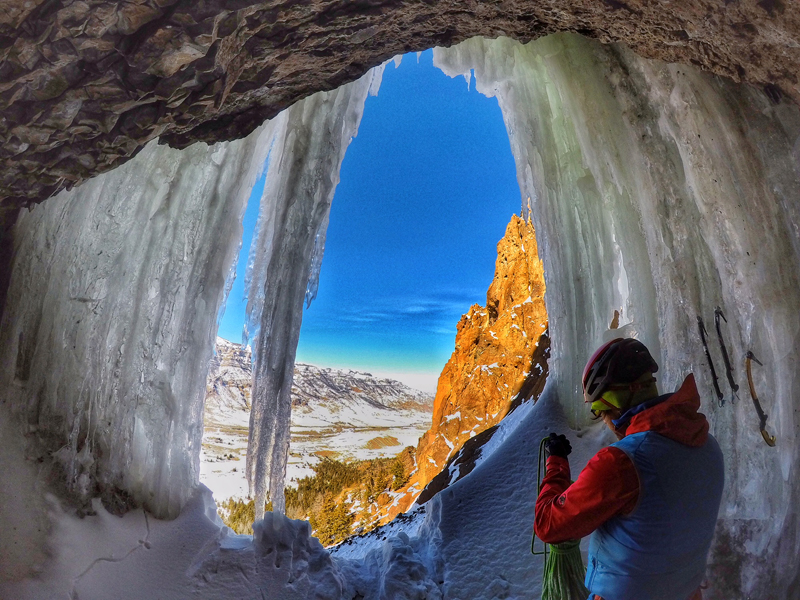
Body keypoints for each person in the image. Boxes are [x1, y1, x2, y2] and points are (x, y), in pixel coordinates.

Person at [534, 338, 725, 600]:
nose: (604, 420)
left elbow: (548, 524)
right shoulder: (707, 444)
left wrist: (556, 461)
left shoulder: (622, 461)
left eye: (600, 409)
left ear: (619, 401)